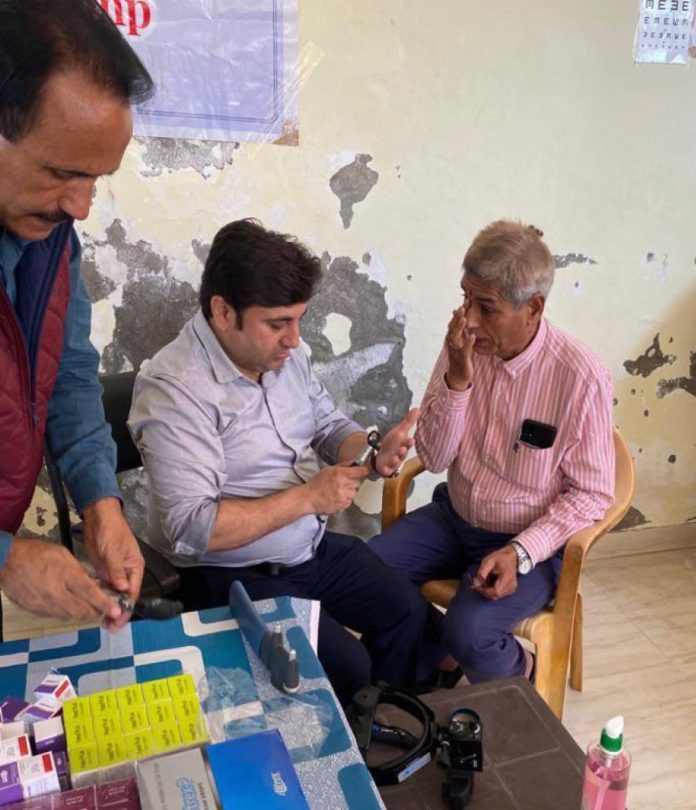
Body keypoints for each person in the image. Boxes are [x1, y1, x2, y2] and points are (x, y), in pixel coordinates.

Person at [128, 218, 429, 705]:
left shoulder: (288, 355)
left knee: (406, 612)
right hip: (229, 573)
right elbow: (192, 527)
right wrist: (310, 497)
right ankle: (336, 748)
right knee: (346, 669)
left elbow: (330, 429)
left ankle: (378, 739)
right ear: (223, 312)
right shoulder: (175, 389)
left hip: (306, 550)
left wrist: (373, 452)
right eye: (277, 324)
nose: (294, 339)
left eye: (298, 320)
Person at [371, 220, 615, 684]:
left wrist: (522, 551)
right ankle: (439, 655)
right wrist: (457, 378)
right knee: (367, 576)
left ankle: (522, 674)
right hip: (454, 518)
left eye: (486, 307)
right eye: (466, 298)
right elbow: (437, 457)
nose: (470, 319)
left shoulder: (579, 377)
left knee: (472, 631)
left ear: (534, 308)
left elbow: (593, 493)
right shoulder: (464, 346)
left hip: (529, 542)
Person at [0, 0, 154, 629]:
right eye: (63, 173)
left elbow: (65, 370)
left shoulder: (49, 235)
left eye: (97, 179)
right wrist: (5, 560)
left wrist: (100, 501)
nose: (81, 207)